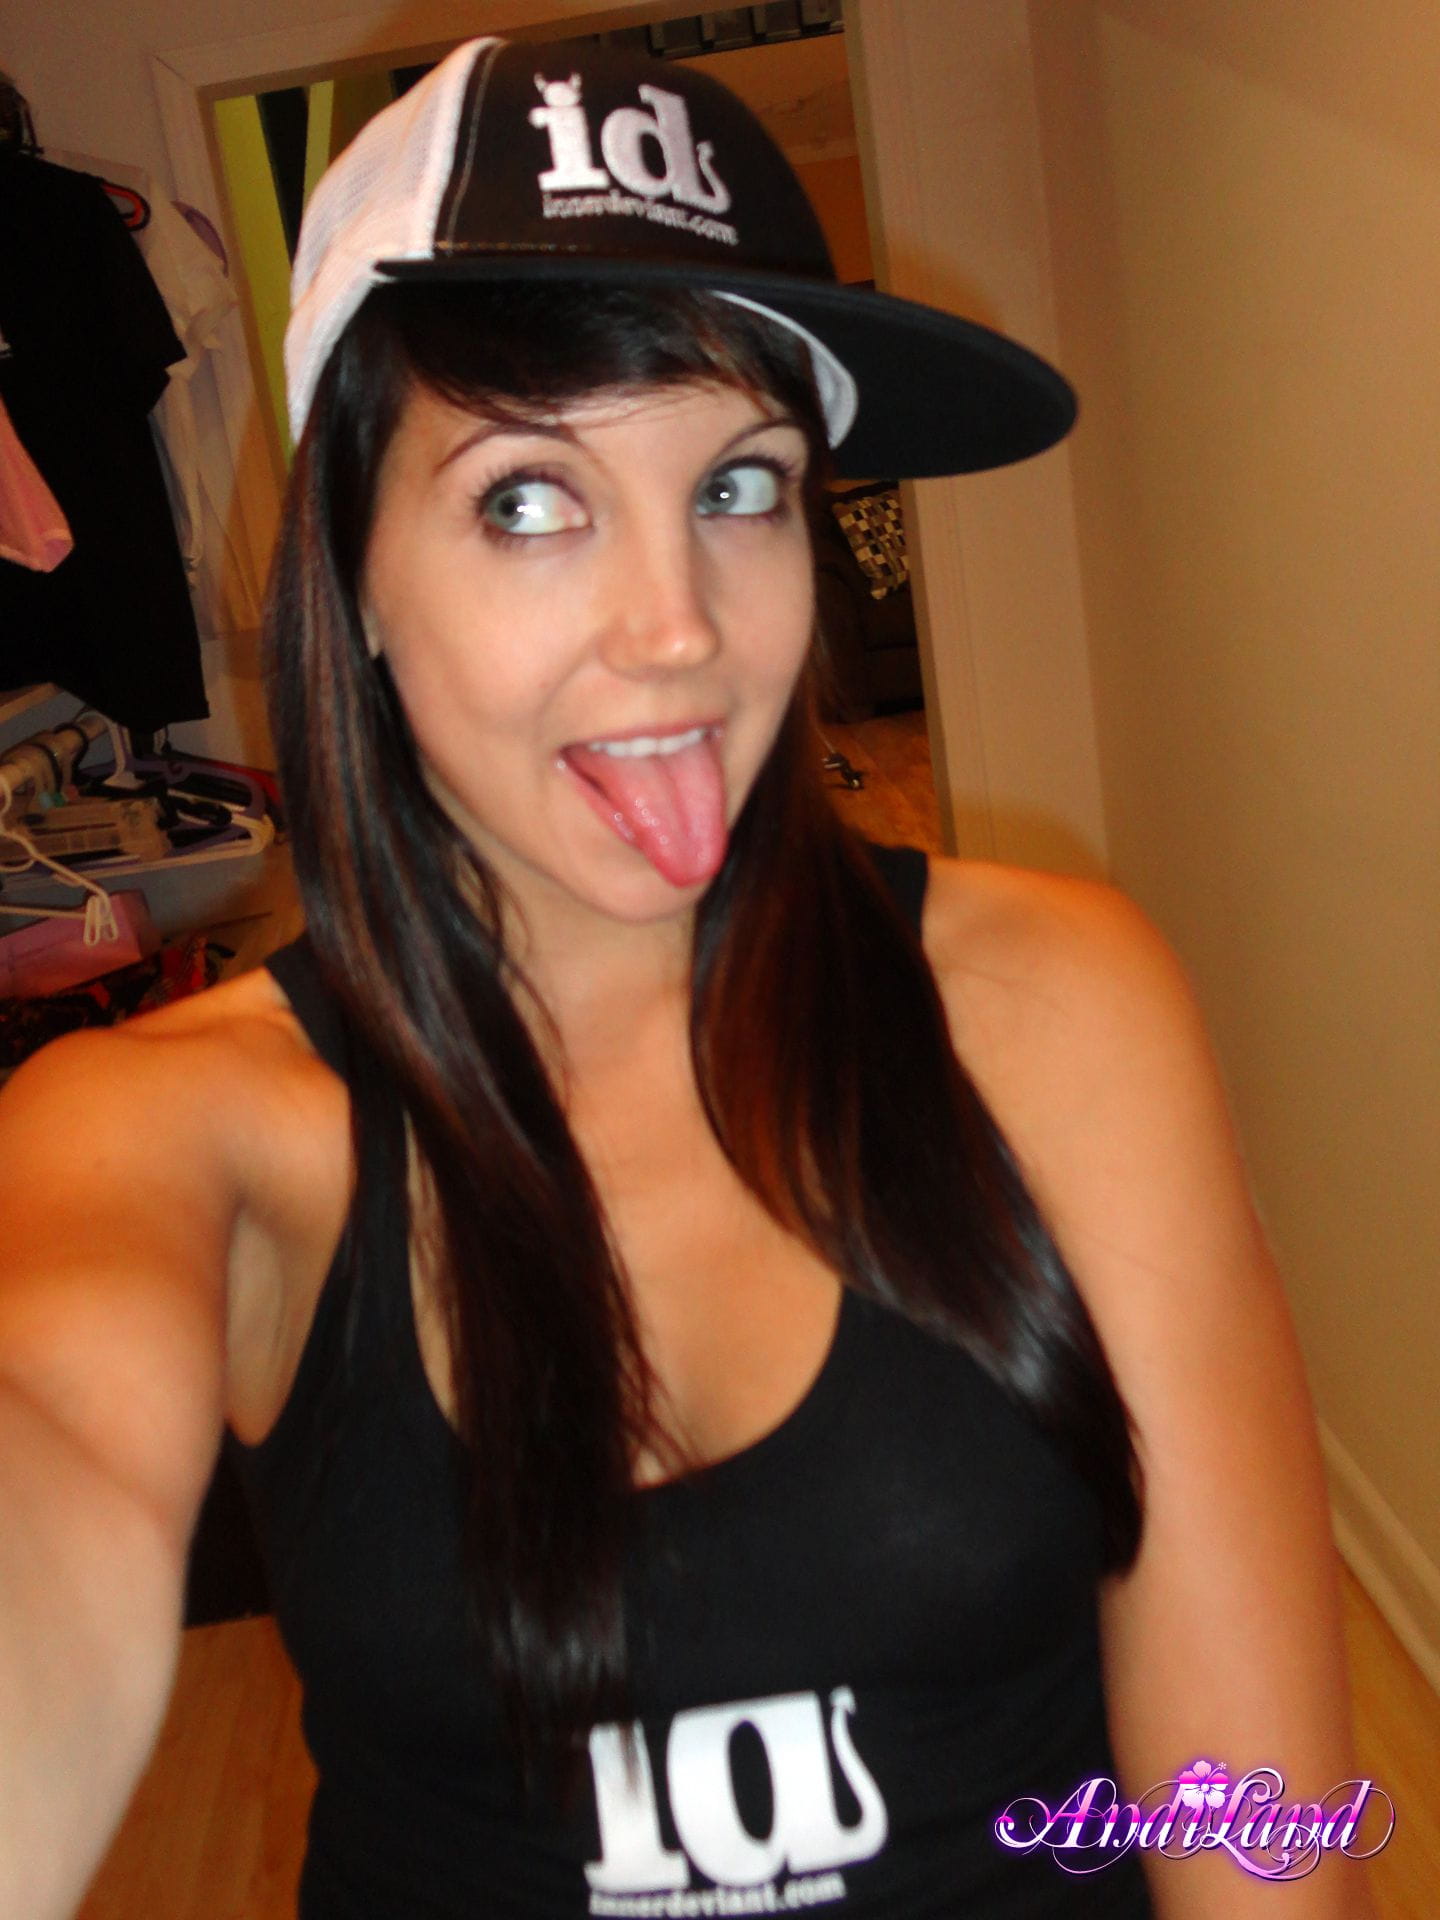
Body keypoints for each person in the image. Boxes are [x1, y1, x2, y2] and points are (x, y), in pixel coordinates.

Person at [0, 35, 1372, 1920]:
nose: (679, 634)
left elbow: (1257, 1818)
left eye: (739, 486)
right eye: (529, 500)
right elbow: (48, 1454)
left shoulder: (1060, 1009)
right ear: (355, 571)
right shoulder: (171, 1132)